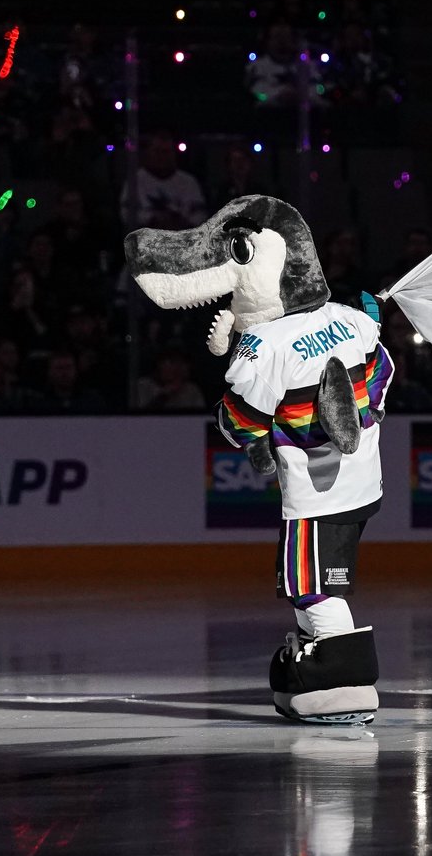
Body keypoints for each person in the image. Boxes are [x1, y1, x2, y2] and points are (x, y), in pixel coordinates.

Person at [126, 195, 394, 723]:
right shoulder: (348, 318)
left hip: (314, 492)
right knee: (320, 577)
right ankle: (313, 675)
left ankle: (342, 683)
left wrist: (237, 382)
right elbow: (382, 371)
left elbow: (240, 422)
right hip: (365, 481)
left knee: (309, 586)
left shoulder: (267, 344)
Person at [119, 131, 207, 230]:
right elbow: (126, 214)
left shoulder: (189, 181)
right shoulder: (135, 180)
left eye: (166, 152)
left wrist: (181, 222)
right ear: (148, 153)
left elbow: (200, 215)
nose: (161, 157)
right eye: (157, 151)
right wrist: (152, 219)